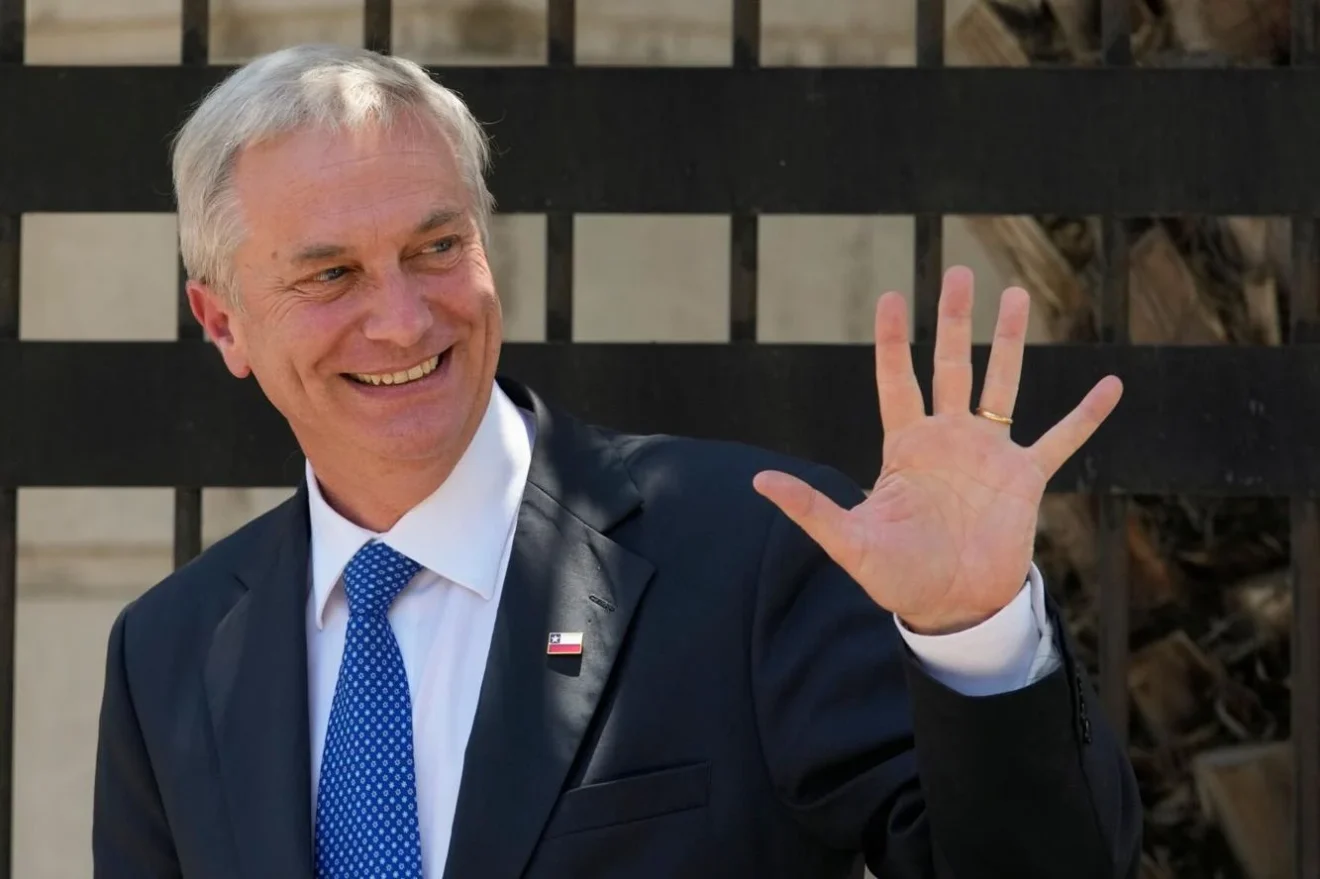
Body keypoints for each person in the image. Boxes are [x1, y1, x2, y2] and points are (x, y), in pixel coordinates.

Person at [92, 43, 1141, 879]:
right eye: (330, 275)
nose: (404, 319)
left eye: (435, 248)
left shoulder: (753, 556)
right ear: (222, 323)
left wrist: (975, 638)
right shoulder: (168, 653)